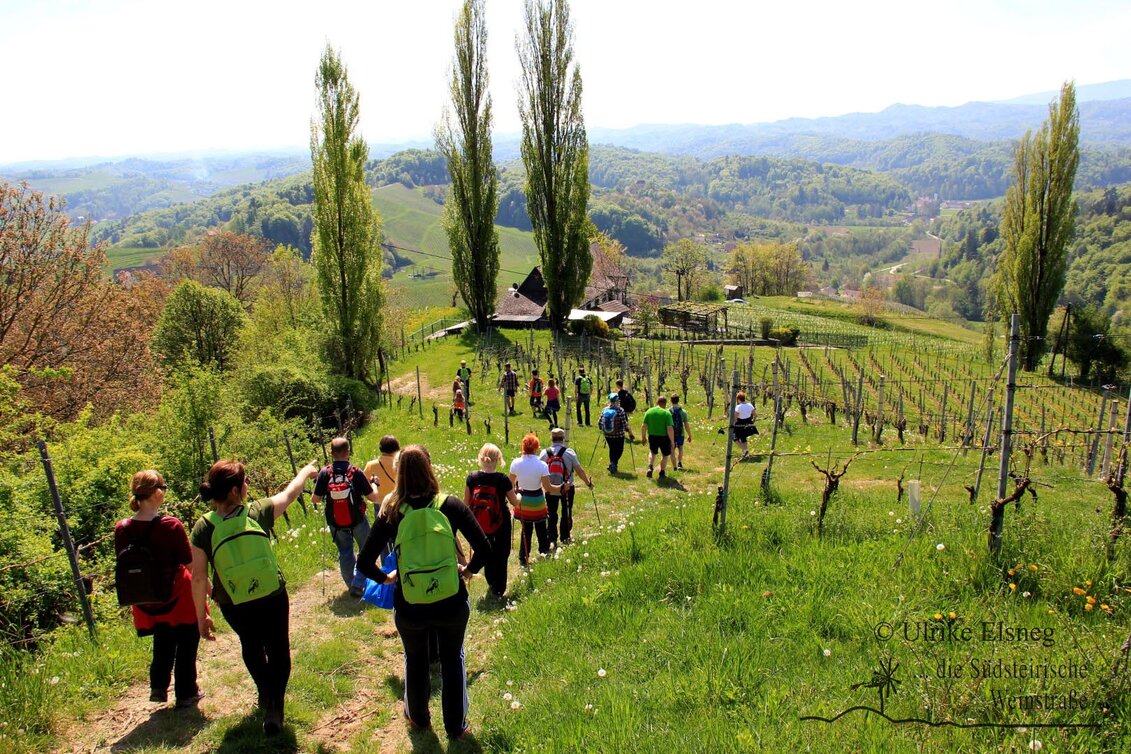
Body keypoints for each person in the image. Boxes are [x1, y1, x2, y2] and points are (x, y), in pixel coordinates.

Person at [356, 445, 490, 740]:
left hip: (410, 605)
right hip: (451, 601)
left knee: (415, 660)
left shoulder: (391, 510)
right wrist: (466, 571)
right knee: (453, 659)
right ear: (430, 469)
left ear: (398, 472)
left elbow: (363, 561)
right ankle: (456, 727)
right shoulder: (450, 505)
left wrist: (387, 577)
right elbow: (484, 548)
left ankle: (419, 719)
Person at [191, 459, 318, 736]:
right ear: (236, 491)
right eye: (245, 481)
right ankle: (275, 705)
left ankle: (264, 691)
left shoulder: (203, 527)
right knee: (278, 646)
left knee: (251, 645)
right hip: (271, 594)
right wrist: (306, 473)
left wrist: (202, 617)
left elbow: (199, 577)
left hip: (233, 602)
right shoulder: (256, 512)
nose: (248, 485)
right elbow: (290, 494)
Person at [115, 470, 202, 709]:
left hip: (145, 598)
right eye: (163, 487)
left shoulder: (122, 528)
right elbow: (190, 564)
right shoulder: (171, 525)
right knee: (187, 641)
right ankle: (186, 692)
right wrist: (207, 588)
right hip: (178, 595)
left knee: (163, 639)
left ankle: (158, 687)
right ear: (155, 493)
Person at [311, 438, 384, 597]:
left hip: (335, 521)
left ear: (331, 453)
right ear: (348, 452)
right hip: (357, 519)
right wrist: (374, 484)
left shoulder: (325, 472)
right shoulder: (355, 472)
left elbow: (315, 500)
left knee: (345, 551)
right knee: (367, 550)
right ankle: (358, 583)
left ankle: (351, 583)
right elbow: (373, 498)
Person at [463, 443, 519, 598]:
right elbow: (515, 502)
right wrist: (519, 495)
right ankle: (499, 589)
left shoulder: (472, 478)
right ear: (498, 459)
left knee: (486, 551)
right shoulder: (503, 480)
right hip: (501, 522)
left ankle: (491, 581)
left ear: (481, 458)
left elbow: (466, 503)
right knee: (502, 552)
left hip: (479, 523)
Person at [508, 433, 569, 565]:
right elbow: (548, 487)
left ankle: (523, 557)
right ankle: (544, 551)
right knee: (541, 528)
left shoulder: (515, 463)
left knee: (526, 530)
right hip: (537, 500)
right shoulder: (542, 465)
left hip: (523, 500)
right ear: (536, 447)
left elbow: (510, 485)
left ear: (523, 446)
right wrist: (562, 488)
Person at [539, 428, 593, 547]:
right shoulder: (569, 452)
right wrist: (588, 483)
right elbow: (579, 470)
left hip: (550, 488)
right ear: (563, 439)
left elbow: (538, 471)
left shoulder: (544, 453)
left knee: (551, 513)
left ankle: (552, 538)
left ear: (551, 438)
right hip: (567, 488)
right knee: (566, 512)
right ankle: (565, 537)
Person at [640, 396, 676, 480]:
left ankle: (650, 466)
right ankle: (662, 472)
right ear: (665, 403)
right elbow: (669, 428)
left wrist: (643, 437)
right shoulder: (667, 413)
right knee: (665, 455)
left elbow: (644, 426)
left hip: (652, 436)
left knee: (652, 452)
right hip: (664, 437)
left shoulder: (649, 411)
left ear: (657, 402)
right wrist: (672, 441)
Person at [597, 393, 634, 473]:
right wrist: (629, 433)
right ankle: (613, 464)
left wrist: (602, 430)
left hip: (607, 435)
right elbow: (624, 424)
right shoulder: (620, 410)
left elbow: (599, 422)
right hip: (619, 435)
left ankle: (612, 464)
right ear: (617, 401)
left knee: (612, 449)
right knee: (619, 450)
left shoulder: (605, 410)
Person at [364, 435, 400, 507]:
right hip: (396, 500)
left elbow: (365, 482)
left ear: (380, 448)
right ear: (397, 448)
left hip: (379, 501)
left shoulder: (371, 465)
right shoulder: (399, 464)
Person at [669, 394, 693, 471]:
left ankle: (674, 467)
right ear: (678, 400)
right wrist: (689, 435)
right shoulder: (683, 412)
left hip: (671, 434)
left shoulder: (668, 411)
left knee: (672, 449)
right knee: (680, 448)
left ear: (671, 400)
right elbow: (686, 425)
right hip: (680, 433)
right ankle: (679, 463)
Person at [733, 391, 758, 459]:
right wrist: (753, 421)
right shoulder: (750, 405)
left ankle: (745, 450)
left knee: (735, 438)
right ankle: (746, 454)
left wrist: (734, 424)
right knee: (743, 438)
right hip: (748, 422)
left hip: (740, 424)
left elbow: (735, 417)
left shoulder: (738, 407)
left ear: (738, 399)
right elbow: (755, 415)